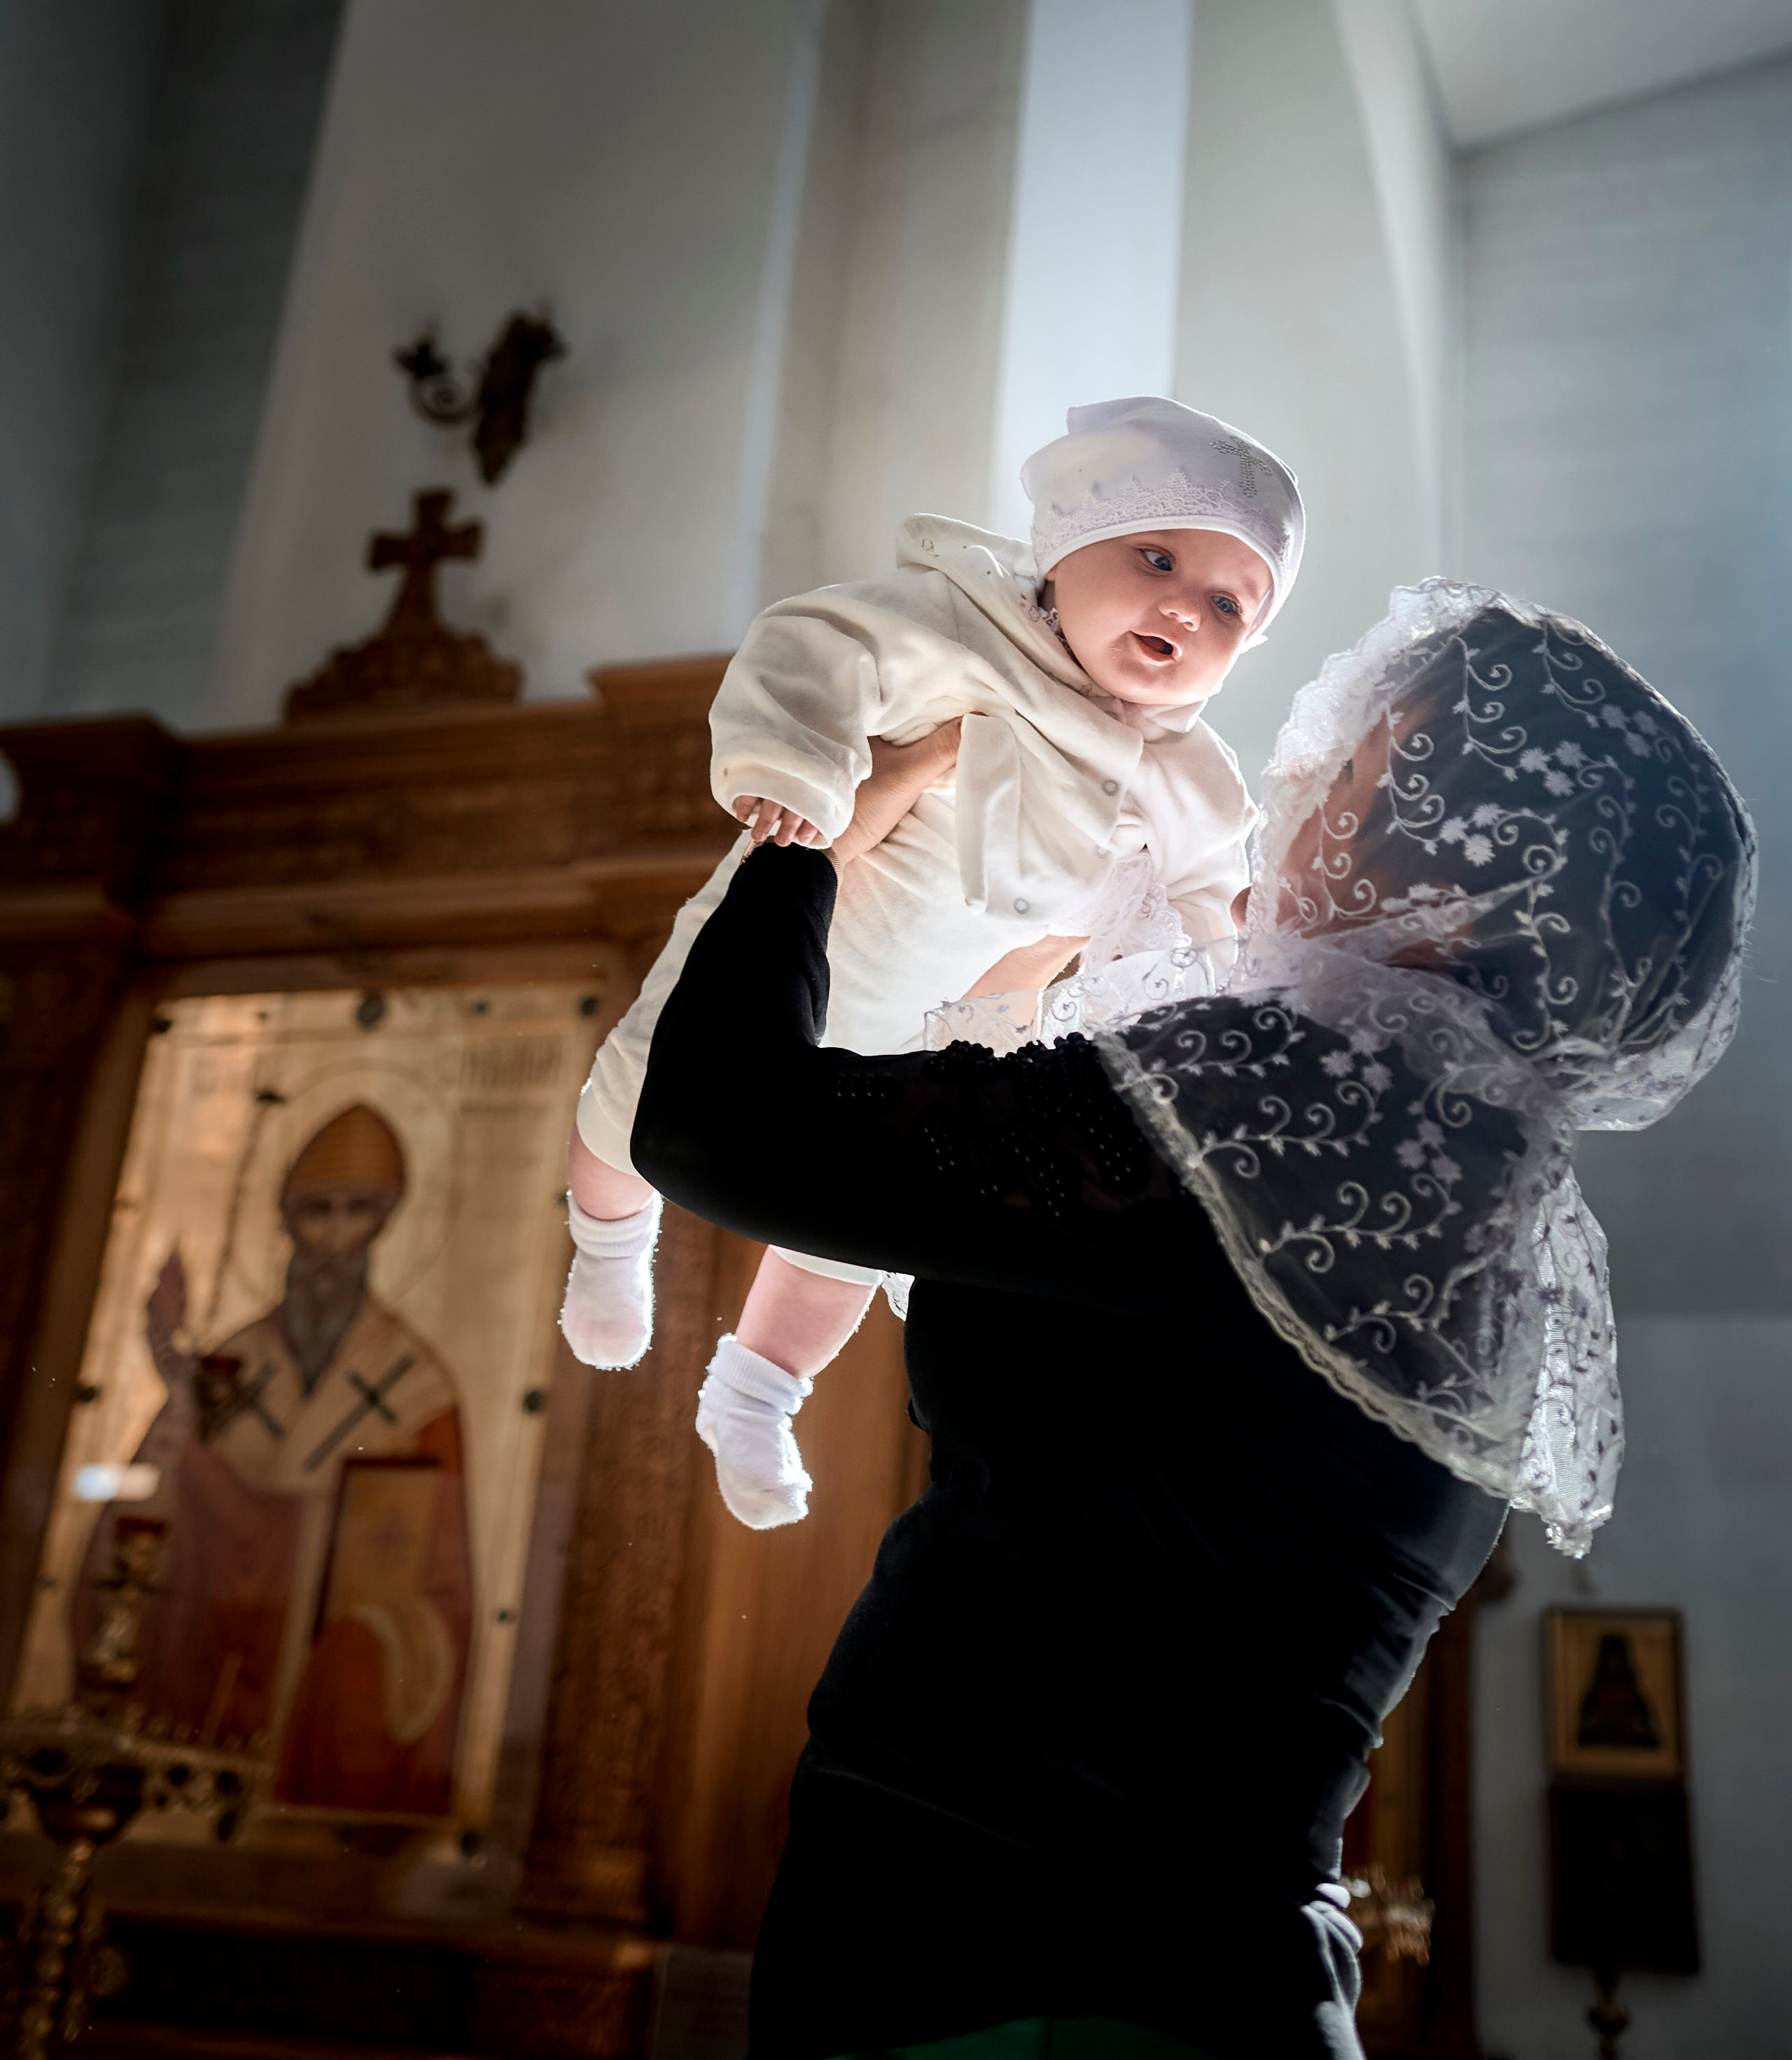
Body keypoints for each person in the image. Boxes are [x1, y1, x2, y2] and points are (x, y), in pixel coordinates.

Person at [627, 581, 1754, 2059]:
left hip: (1029, 1978)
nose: (1298, 787)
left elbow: (717, 1121)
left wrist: (824, 815)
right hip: (1152, 1968)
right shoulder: (1455, 1174)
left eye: (1356, 765)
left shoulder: (1296, 1106)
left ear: (1453, 858)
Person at [564, 397, 1306, 1530]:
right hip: (816, 926)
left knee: (856, 1221)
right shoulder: (962, 633)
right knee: (638, 1096)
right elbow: (813, 652)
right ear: (1065, 551)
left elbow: (1215, 900)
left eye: (1228, 605)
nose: (1183, 608)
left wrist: (1248, 952)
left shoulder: (1187, 768)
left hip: (943, 1028)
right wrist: (796, 773)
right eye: (1157, 559)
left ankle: (757, 1392)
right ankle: (608, 1247)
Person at [83, 1105, 474, 1814]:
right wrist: (181, 1424)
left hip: (317, 1672)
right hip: (203, 1665)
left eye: (358, 1211)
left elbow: (446, 1591)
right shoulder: (230, 1366)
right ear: (288, 1221)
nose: (335, 1237)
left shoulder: (419, 1389)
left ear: (385, 1223)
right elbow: (138, 1516)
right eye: (317, 1210)